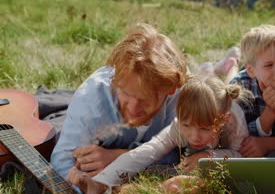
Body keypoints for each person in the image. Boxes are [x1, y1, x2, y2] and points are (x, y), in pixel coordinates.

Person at [67, 75, 249, 194]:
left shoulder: (235, 122)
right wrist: (101, 182)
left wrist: (211, 155)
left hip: (221, 140)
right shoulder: (178, 126)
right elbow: (145, 152)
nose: (194, 137)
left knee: (226, 79)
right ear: (179, 116)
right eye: (187, 126)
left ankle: (229, 67)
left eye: (205, 128)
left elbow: (241, 156)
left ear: (223, 120)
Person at [51, 23, 187, 179]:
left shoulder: (179, 97)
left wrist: (117, 157)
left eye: (144, 100)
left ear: (169, 90)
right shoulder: (92, 98)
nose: (133, 108)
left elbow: (178, 155)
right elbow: (62, 162)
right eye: (126, 93)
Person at [230, 24, 275, 157]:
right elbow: (241, 136)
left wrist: (268, 144)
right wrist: (270, 112)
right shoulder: (240, 86)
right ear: (251, 70)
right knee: (221, 86)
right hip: (232, 83)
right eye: (269, 65)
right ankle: (229, 65)